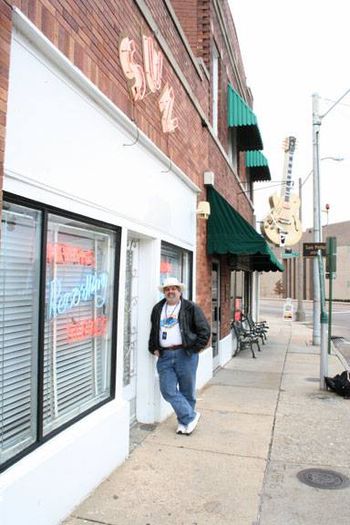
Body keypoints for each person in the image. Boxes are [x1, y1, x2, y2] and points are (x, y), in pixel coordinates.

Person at [149, 277, 210, 435]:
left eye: (173, 288)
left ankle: (184, 423)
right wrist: (153, 347)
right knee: (168, 390)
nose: (170, 291)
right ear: (164, 292)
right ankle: (190, 416)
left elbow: (204, 330)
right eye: (167, 289)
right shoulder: (158, 308)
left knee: (187, 390)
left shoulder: (190, 307)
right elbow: (153, 330)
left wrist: (195, 349)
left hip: (185, 354)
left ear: (179, 291)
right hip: (165, 355)